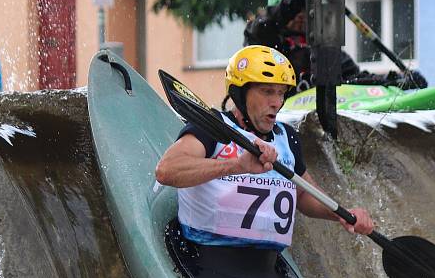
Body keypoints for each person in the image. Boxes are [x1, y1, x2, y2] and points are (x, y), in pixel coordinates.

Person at [155, 45, 374, 251]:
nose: (277, 102)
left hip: (266, 267)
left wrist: (342, 214)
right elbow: (167, 171)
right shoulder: (212, 127)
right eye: (267, 91)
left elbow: (305, 195)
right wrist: (236, 166)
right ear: (240, 93)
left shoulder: (287, 137)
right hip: (206, 258)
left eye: (281, 93)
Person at [244, 0, 427, 93]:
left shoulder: (322, 47)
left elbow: (354, 80)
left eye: (305, 10)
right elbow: (266, 23)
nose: (301, 16)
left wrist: (396, 81)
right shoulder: (263, 39)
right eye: (295, 10)